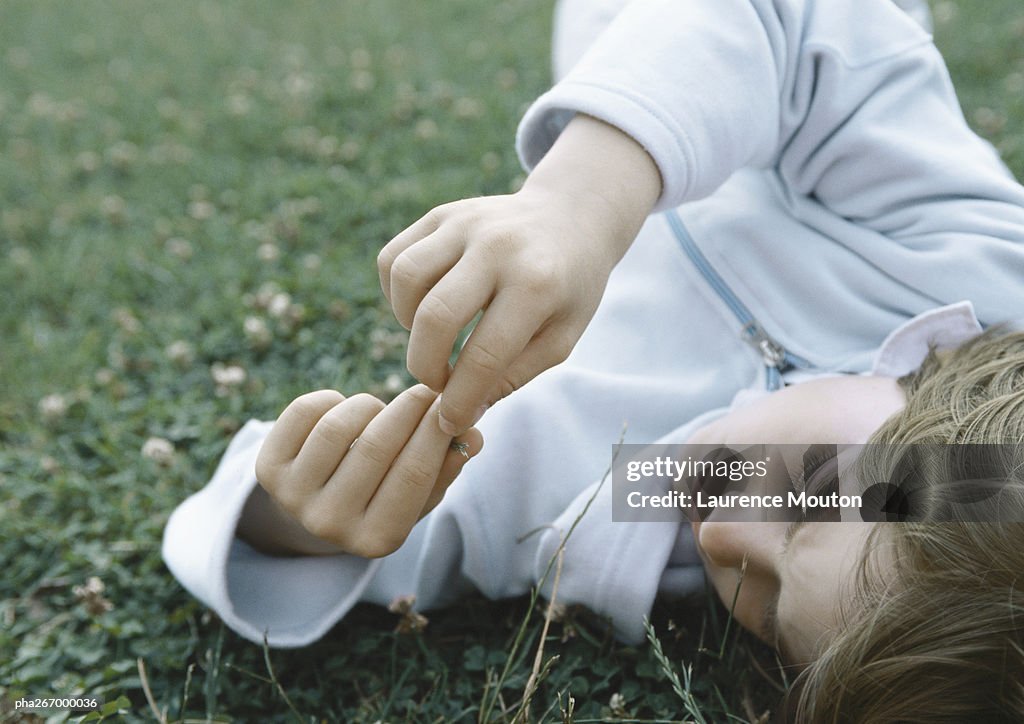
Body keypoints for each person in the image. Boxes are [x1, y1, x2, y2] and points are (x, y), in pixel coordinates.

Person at [163, 0, 1024, 718]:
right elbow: (792, 21)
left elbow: (399, 538)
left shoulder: (617, 506)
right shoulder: (975, 263)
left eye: (766, 611)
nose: (725, 533)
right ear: (971, 414)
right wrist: (576, 204)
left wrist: (301, 521)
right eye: (809, 501)